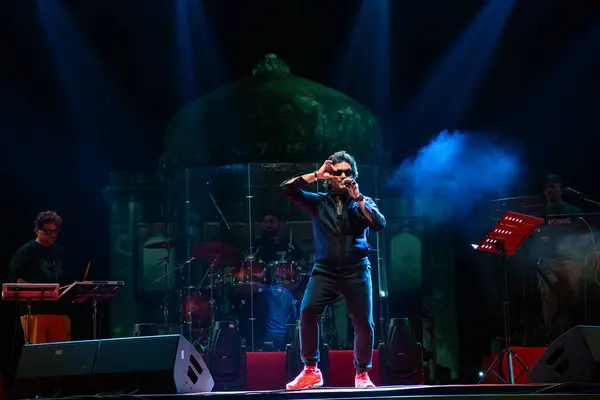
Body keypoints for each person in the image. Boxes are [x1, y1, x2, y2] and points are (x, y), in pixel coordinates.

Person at [281, 151, 386, 389]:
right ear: (330, 176)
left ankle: (362, 374)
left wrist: (358, 198)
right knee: (307, 312)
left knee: (363, 323)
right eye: (336, 172)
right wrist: (316, 175)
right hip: (325, 271)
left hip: (356, 270)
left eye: (347, 172)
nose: (342, 176)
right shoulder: (318, 202)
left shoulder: (362, 202)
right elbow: (287, 189)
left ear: (354, 176)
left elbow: (379, 224)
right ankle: (311, 370)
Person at [9, 211, 73, 344]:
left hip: (60, 311)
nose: (53, 235)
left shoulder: (61, 251)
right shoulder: (26, 251)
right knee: (39, 355)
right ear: (37, 230)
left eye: (55, 231)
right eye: (47, 231)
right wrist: (36, 291)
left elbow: (68, 278)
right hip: (35, 311)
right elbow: (16, 278)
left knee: (62, 354)